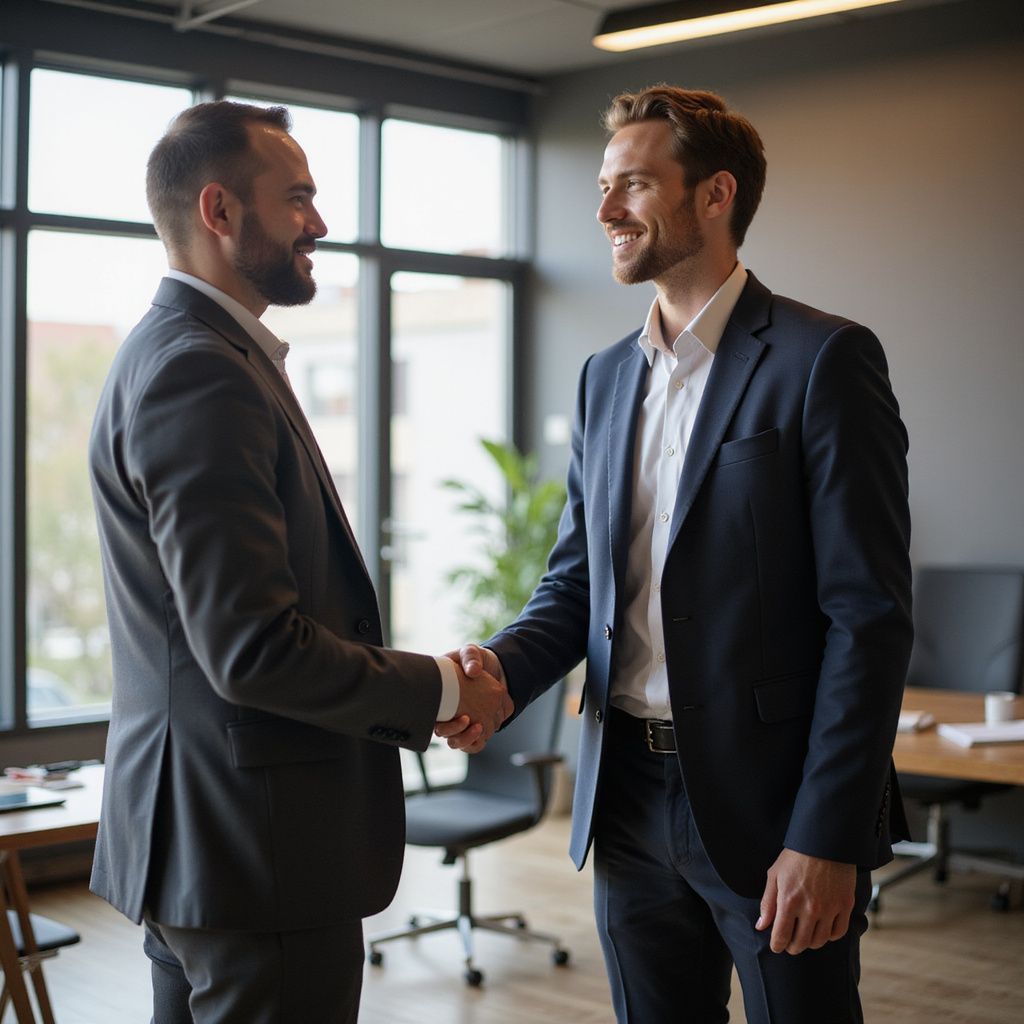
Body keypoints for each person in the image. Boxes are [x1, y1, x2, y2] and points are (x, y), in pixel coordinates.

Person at [440, 85, 912, 1023]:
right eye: (604, 187)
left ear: (715, 195)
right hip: (624, 800)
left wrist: (828, 837)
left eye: (635, 185)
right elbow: (577, 586)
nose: (607, 210)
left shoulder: (825, 360)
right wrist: (495, 671)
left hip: (777, 806)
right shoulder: (604, 378)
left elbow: (868, 619)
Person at [88, 100, 511, 1024]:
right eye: (299, 199)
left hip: (208, 842)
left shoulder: (174, 355)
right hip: (257, 850)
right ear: (220, 212)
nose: (318, 224)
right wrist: (442, 687)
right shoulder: (201, 371)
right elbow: (251, 647)